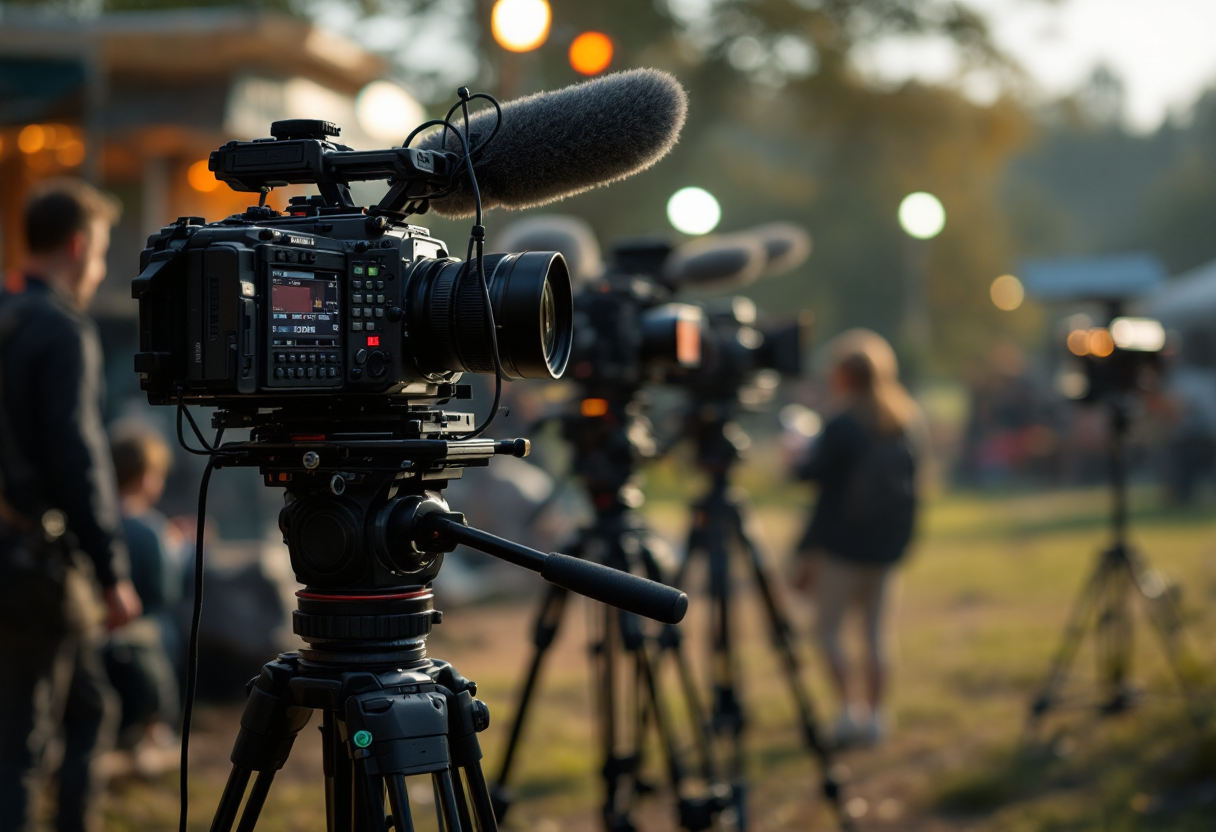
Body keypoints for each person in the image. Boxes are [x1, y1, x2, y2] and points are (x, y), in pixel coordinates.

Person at [0, 178, 141, 832]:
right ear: (79, 246)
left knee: (87, 709)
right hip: (35, 566)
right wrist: (112, 573)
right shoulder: (59, 328)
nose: (100, 267)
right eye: (102, 251)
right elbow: (76, 459)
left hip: (21, 561)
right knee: (24, 740)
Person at [791, 329, 920, 747]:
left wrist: (805, 549)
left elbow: (819, 487)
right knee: (876, 633)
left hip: (841, 547)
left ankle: (850, 711)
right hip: (885, 546)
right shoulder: (903, 421)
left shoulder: (842, 425)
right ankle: (877, 716)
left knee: (828, 629)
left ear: (845, 375)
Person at [106, 422, 183, 761]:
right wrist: (179, 548)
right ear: (147, 476)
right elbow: (165, 591)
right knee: (165, 628)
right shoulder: (150, 528)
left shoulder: (98, 518)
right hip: (137, 627)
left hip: (97, 624)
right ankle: (158, 725)